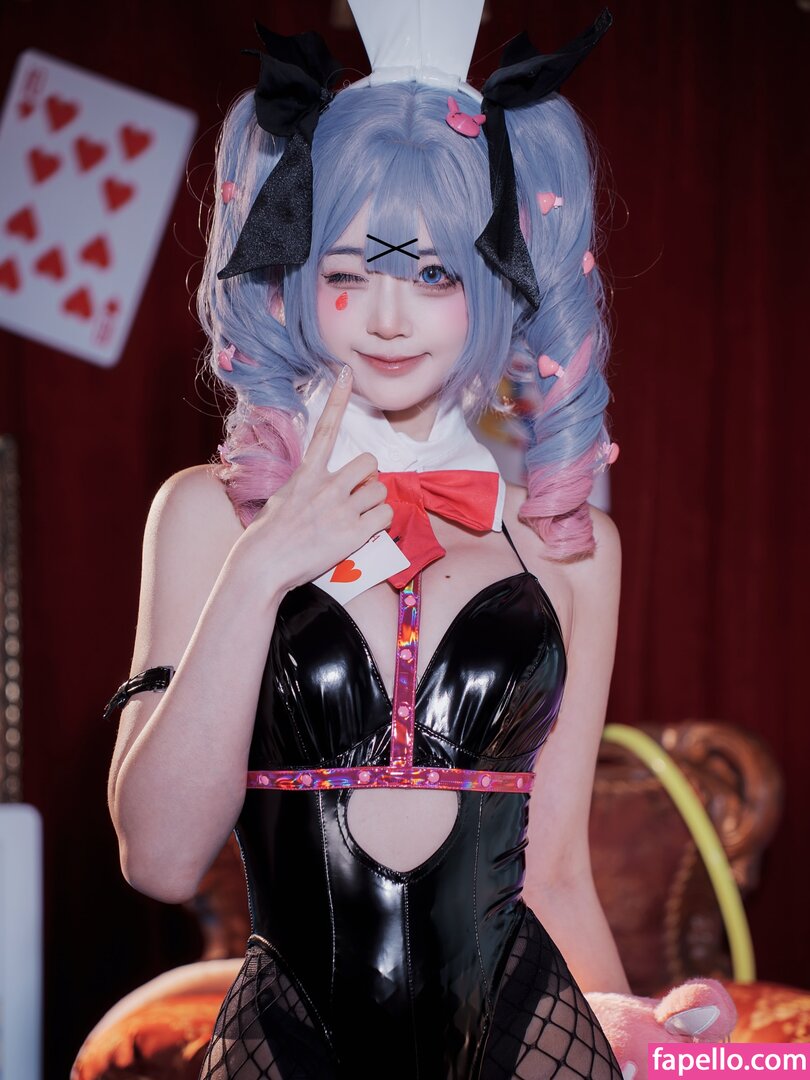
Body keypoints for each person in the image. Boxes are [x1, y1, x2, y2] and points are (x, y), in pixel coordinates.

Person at [105, 4, 731, 1077]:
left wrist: (634, 1031)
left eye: (435, 273)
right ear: (296, 272)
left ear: (498, 277)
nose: (388, 317)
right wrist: (262, 567)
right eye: (349, 271)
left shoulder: (568, 543)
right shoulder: (211, 514)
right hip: (287, 1041)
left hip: (525, 1038)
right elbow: (159, 861)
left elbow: (555, 874)